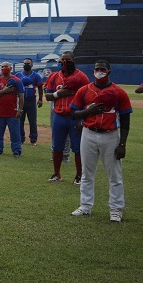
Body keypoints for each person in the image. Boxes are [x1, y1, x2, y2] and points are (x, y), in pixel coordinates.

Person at [70, 60, 132, 222]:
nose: (99, 71)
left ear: (109, 71)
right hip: (89, 133)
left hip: (110, 136)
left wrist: (122, 144)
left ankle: (116, 209)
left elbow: (125, 120)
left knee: (115, 175)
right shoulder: (84, 90)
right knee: (87, 173)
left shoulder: (119, 92)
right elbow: (73, 113)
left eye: (102, 69)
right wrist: (87, 111)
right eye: (97, 69)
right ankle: (85, 206)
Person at [45, 52, 90, 184]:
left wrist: (83, 118)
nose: (65, 62)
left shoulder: (81, 77)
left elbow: (88, 98)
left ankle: (79, 176)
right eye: (62, 59)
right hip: (59, 115)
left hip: (75, 116)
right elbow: (48, 96)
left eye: (68, 59)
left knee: (77, 148)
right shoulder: (54, 76)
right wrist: (57, 94)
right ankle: (56, 174)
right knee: (57, 147)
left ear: (73, 60)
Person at [0, 61, 24, 157]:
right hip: (0, 112)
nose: (4, 68)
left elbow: (21, 96)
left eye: (6, 66)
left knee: (15, 134)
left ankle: (16, 151)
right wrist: (4, 91)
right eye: (2, 66)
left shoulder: (17, 80)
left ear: (11, 68)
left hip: (13, 112)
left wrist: (20, 110)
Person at [17, 58, 44, 146]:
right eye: (25, 63)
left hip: (31, 100)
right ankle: (21, 138)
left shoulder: (36, 76)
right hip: (21, 101)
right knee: (20, 120)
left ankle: (33, 139)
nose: (26, 65)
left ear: (32, 65)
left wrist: (40, 99)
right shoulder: (18, 75)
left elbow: (40, 87)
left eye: (28, 63)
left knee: (32, 121)